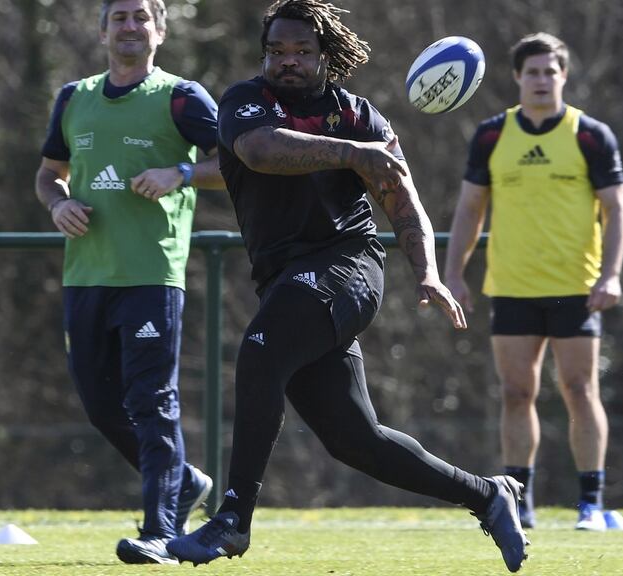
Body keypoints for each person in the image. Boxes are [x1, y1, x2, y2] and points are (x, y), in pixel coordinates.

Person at [166, 1, 528, 572]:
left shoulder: (361, 119)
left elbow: (402, 201)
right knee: (355, 441)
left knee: (259, 353)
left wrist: (427, 271)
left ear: (326, 57)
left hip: (349, 267)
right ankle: (487, 494)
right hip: (286, 282)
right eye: (277, 51)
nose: (288, 62)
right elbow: (260, 151)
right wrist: (350, 154)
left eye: (302, 52)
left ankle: (233, 518)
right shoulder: (245, 102)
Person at [34, 0, 225, 564]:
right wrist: (57, 205)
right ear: (102, 31)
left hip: (151, 275)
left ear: (161, 31)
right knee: (99, 403)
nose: (130, 26)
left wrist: (182, 172)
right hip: (86, 276)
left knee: (151, 401)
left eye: (142, 16)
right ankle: (184, 482)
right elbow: (49, 174)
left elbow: (236, 162)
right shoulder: (74, 98)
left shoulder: (182, 98)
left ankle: (162, 530)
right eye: (119, 16)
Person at [444, 32, 623, 532]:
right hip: (511, 286)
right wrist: (453, 274)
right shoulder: (491, 135)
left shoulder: (589, 135)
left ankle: (590, 503)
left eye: (551, 71)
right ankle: (517, 499)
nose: (542, 80)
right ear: (516, 78)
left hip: (577, 286)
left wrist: (611, 275)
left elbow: (616, 211)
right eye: (533, 72)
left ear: (564, 76)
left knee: (578, 389)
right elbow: (469, 209)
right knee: (515, 393)